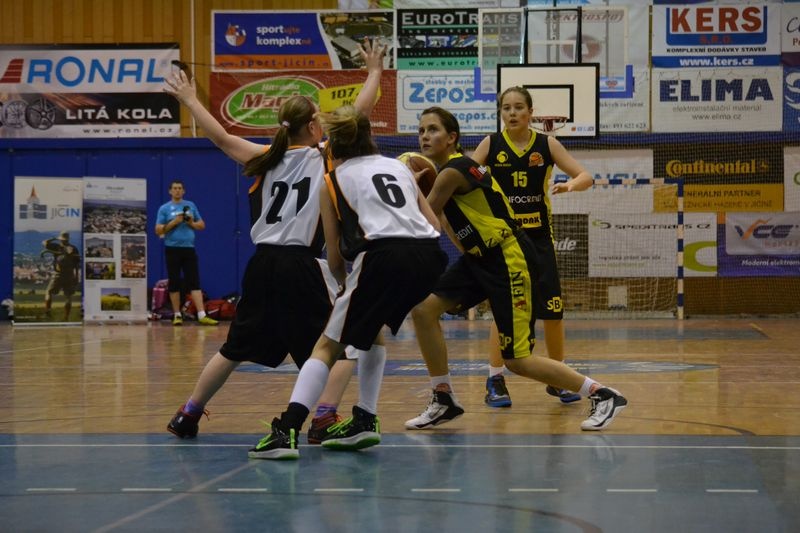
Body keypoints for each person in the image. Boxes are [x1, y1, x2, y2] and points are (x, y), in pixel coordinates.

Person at [162, 40, 388, 442]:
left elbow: (220, 137)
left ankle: (188, 413)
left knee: (234, 349)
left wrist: (191, 100)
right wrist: (373, 72)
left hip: (261, 264)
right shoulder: (324, 156)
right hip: (299, 265)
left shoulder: (263, 157)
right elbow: (361, 113)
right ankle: (323, 417)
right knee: (340, 347)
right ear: (314, 127)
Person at [404, 106, 627, 432]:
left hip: (508, 257)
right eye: (421, 130)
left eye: (433, 129)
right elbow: (443, 224)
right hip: (480, 257)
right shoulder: (451, 173)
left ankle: (603, 394)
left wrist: (409, 187)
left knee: (517, 359)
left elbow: (422, 222)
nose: (424, 136)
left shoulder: (453, 171)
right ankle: (443, 397)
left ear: (451, 138)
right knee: (424, 311)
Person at [247, 105, 447, 460]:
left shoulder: (332, 180)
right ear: (370, 136)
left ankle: (286, 430)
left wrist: (342, 287)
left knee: (327, 345)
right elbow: (435, 225)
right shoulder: (400, 167)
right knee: (371, 329)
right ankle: (365, 419)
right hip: (431, 256)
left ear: (334, 144)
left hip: (385, 256)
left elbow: (336, 254)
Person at [470, 86, 593, 408]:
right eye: (506, 108)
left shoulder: (546, 144)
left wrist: (571, 184)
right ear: (501, 113)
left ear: (530, 112)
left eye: (518, 107)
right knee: (504, 312)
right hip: (505, 242)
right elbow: (462, 175)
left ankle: (558, 378)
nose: (512, 113)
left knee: (553, 310)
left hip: (539, 241)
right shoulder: (491, 144)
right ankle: (495, 378)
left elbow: (586, 176)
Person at [155, 180, 219, 326]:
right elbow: (158, 230)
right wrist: (174, 222)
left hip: (189, 249)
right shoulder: (164, 208)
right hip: (172, 249)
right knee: (174, 282)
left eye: (180, 188)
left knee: (194, 281)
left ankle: (202, 315)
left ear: (183, 191)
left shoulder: (190, 205)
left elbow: (201, 225)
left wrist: (191, 223)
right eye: (175, 188)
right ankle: (177, 315)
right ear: (170, 191)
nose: (177, 190)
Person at [41, 231, 80, 321]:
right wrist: (76, 276)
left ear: (61, 239)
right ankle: (66, 317)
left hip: (58, 274)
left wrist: (54, 238)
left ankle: (47, 311)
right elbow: (77, 264)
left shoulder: (57, 246)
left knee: (49, 292)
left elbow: (44, 242)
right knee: (68, 296)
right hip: (69, 274)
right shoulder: (74, 248)